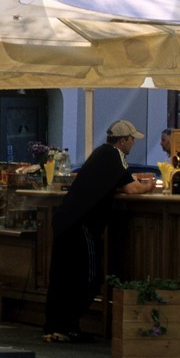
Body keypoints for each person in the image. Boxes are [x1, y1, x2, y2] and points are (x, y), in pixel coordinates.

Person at [42, 120, 153, 343]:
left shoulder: (100, 154)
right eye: (132, 139)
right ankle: (69, 327)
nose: (133, 143)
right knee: (90, 277)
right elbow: (131, 189)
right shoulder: (116, 155)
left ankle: (55, 327)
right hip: (82, 223)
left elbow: (119, 182)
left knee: (63, 276)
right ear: (122, 141)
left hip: (66, 219)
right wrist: (150, 185)